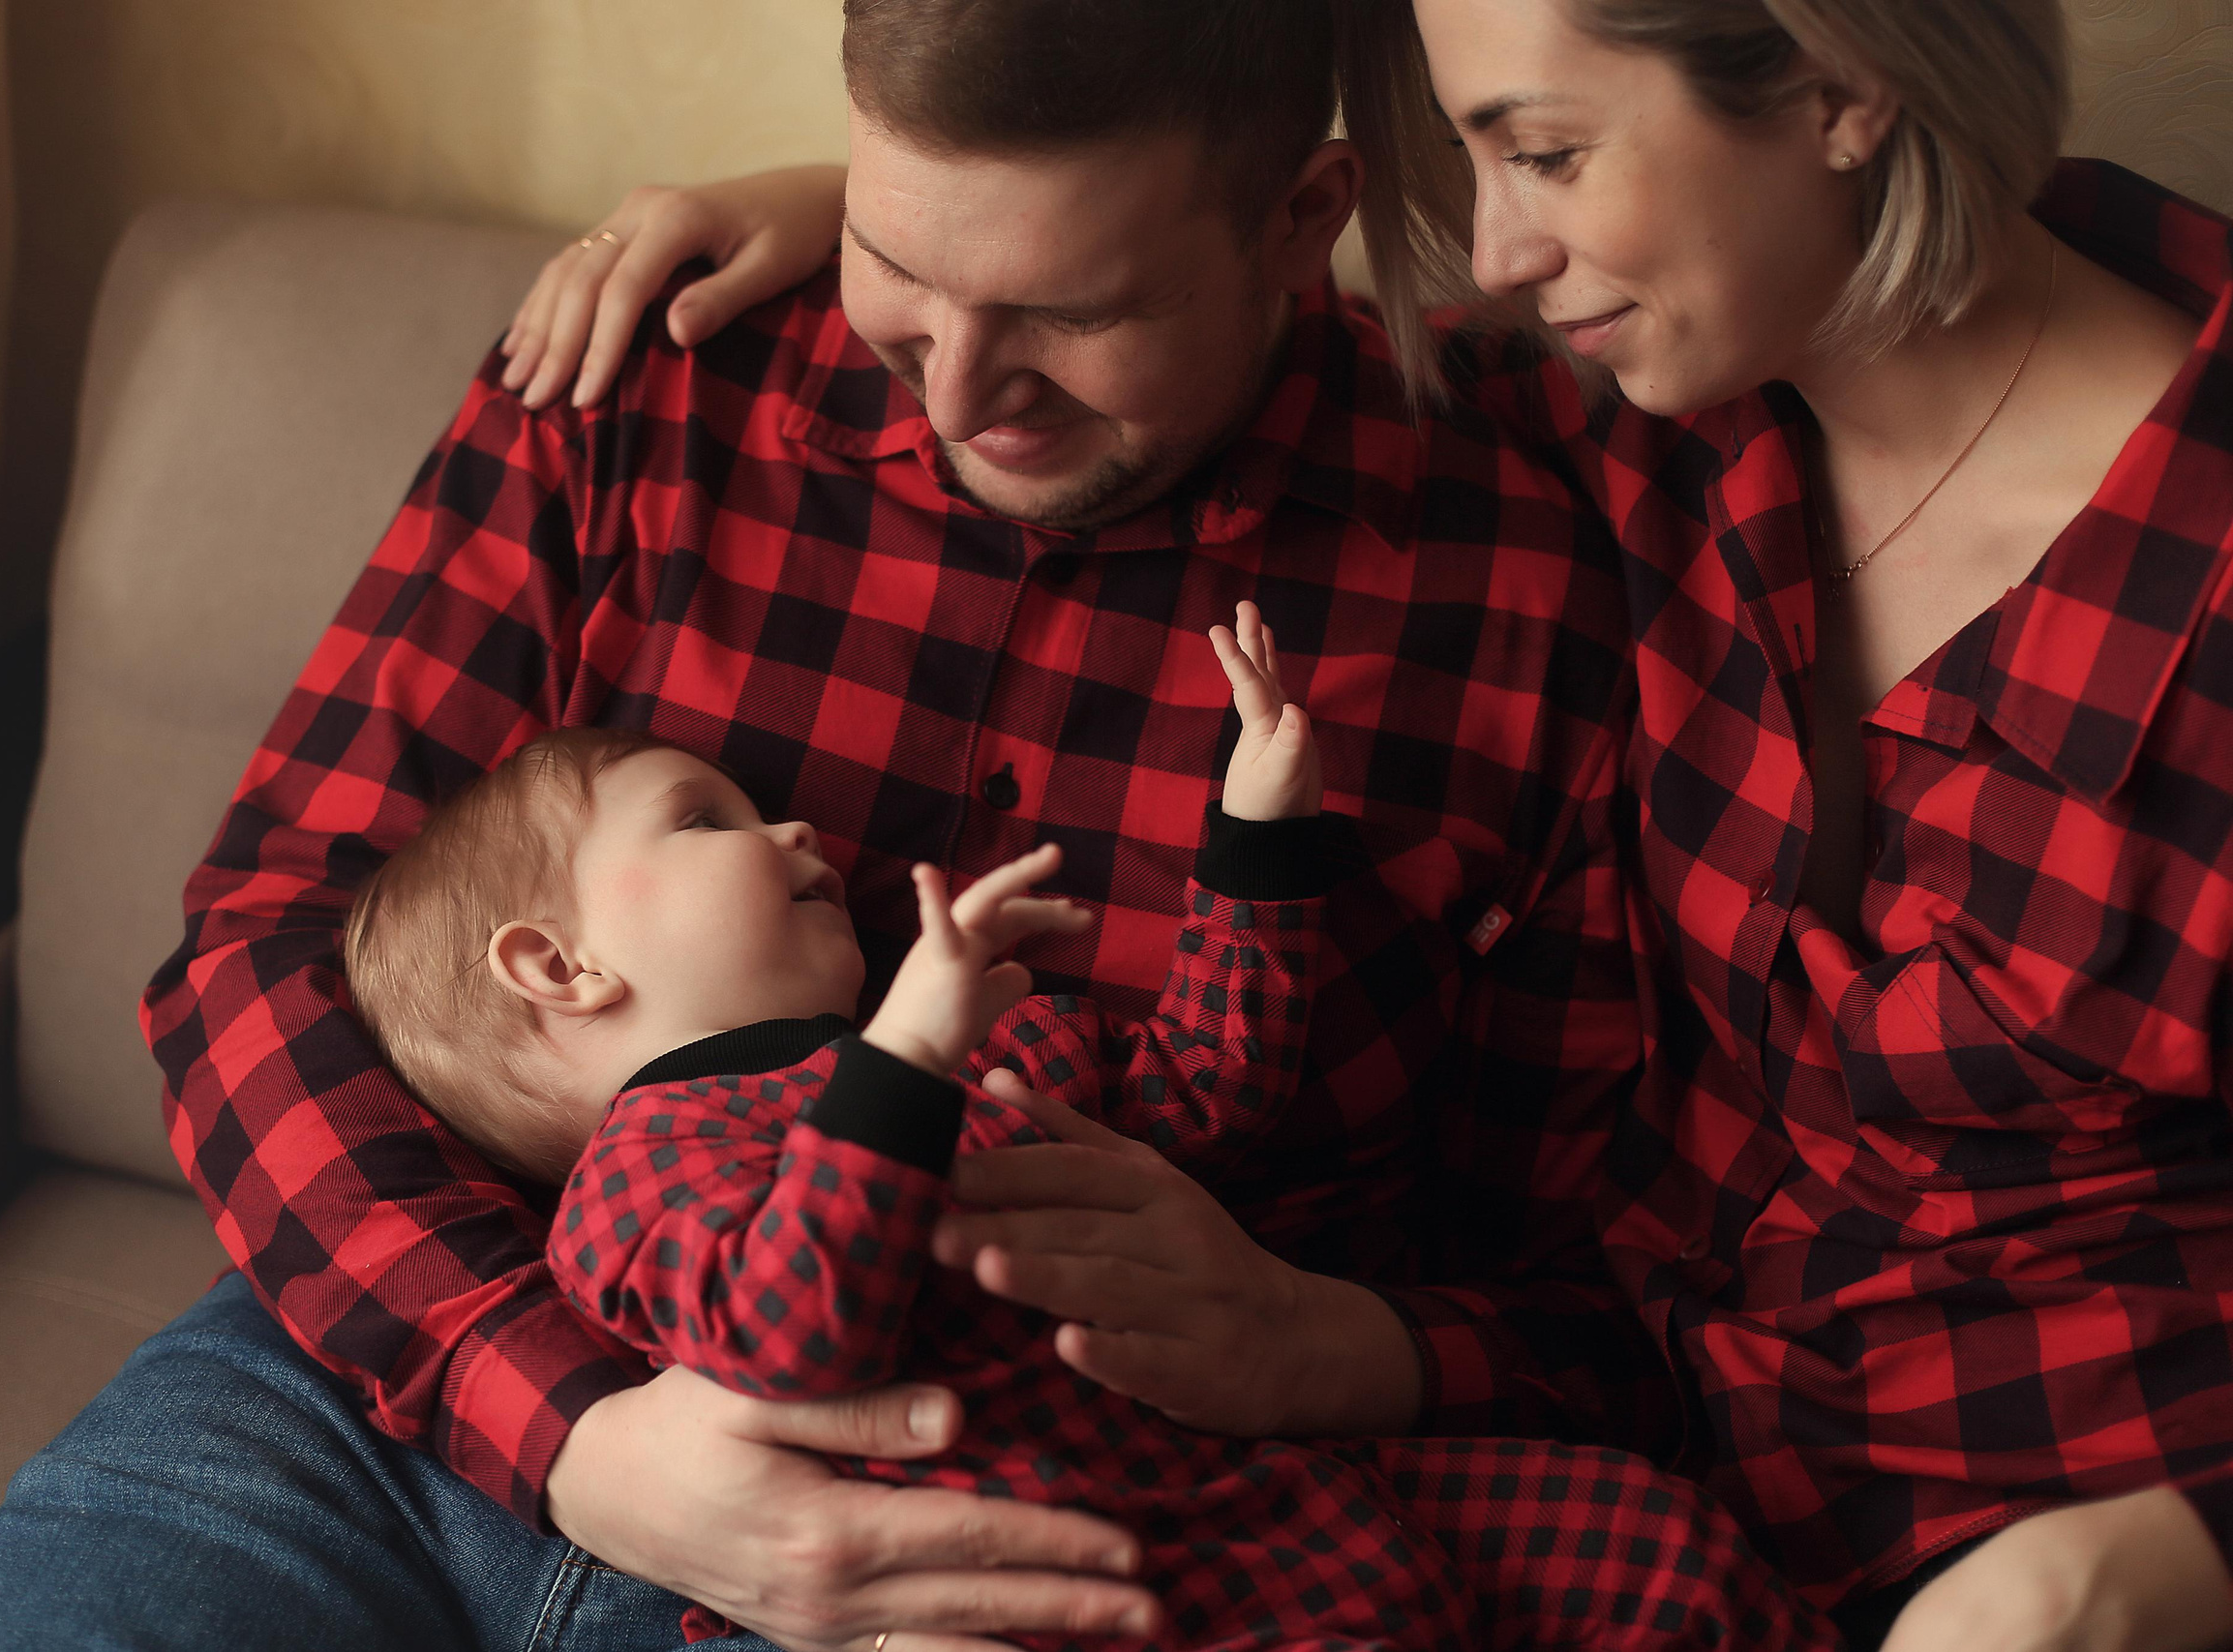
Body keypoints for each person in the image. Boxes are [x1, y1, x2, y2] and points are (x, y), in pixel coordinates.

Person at [0, 4, 1752, 1649]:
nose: (954, 393)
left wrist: (1320, 1343)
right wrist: (569, 1428)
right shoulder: (653, 375)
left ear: (1301, 218)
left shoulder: (1520, 562)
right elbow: (265, 942)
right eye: (899, 269)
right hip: (413, 1385)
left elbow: (1617, 1284)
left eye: (1070, 313)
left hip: (1063, 1509)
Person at [497, 1, 2233, 1648]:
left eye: (1542, 154)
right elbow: (1204, 271)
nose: (1490, 250)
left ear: (1843, 88)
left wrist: (2171, 1551)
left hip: (2065, 1527)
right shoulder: (1662, 402)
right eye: (1468, 157)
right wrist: (920, 228)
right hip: (1681, 1500)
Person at [340, 634, 1836, 1652]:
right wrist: (901, 1064)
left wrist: (1258, 845)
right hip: (1077, 1584)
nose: (798, 837)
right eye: (705, 819)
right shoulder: (646, 1176)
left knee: (1656, 1543)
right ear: (560, 967)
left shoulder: (996, 1043)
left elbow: (1206, 1095)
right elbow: (794, 1332)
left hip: (1284, 1482)